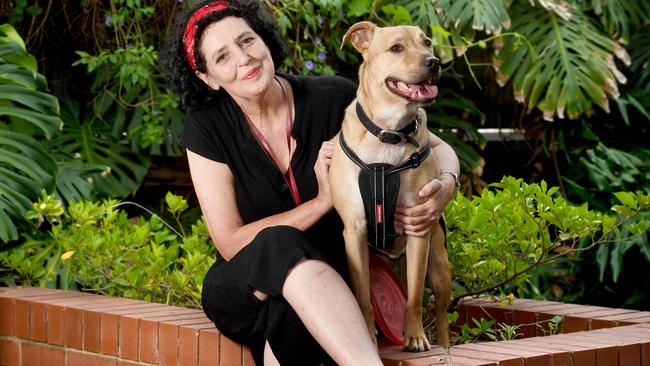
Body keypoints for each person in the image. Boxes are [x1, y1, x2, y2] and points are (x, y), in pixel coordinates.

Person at [160, 1, 460, 365]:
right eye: (222, 57)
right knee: (280, 242)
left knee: (290, 315)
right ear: (208, 77)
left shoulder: (333, 97)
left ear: (265, 41)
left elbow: (438, 148)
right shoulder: (207, 126)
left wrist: (445, 186)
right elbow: (230, 242)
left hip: (328, 288)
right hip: (245, 289)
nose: (244, 59)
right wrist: (322, 202)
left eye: (247, 40)